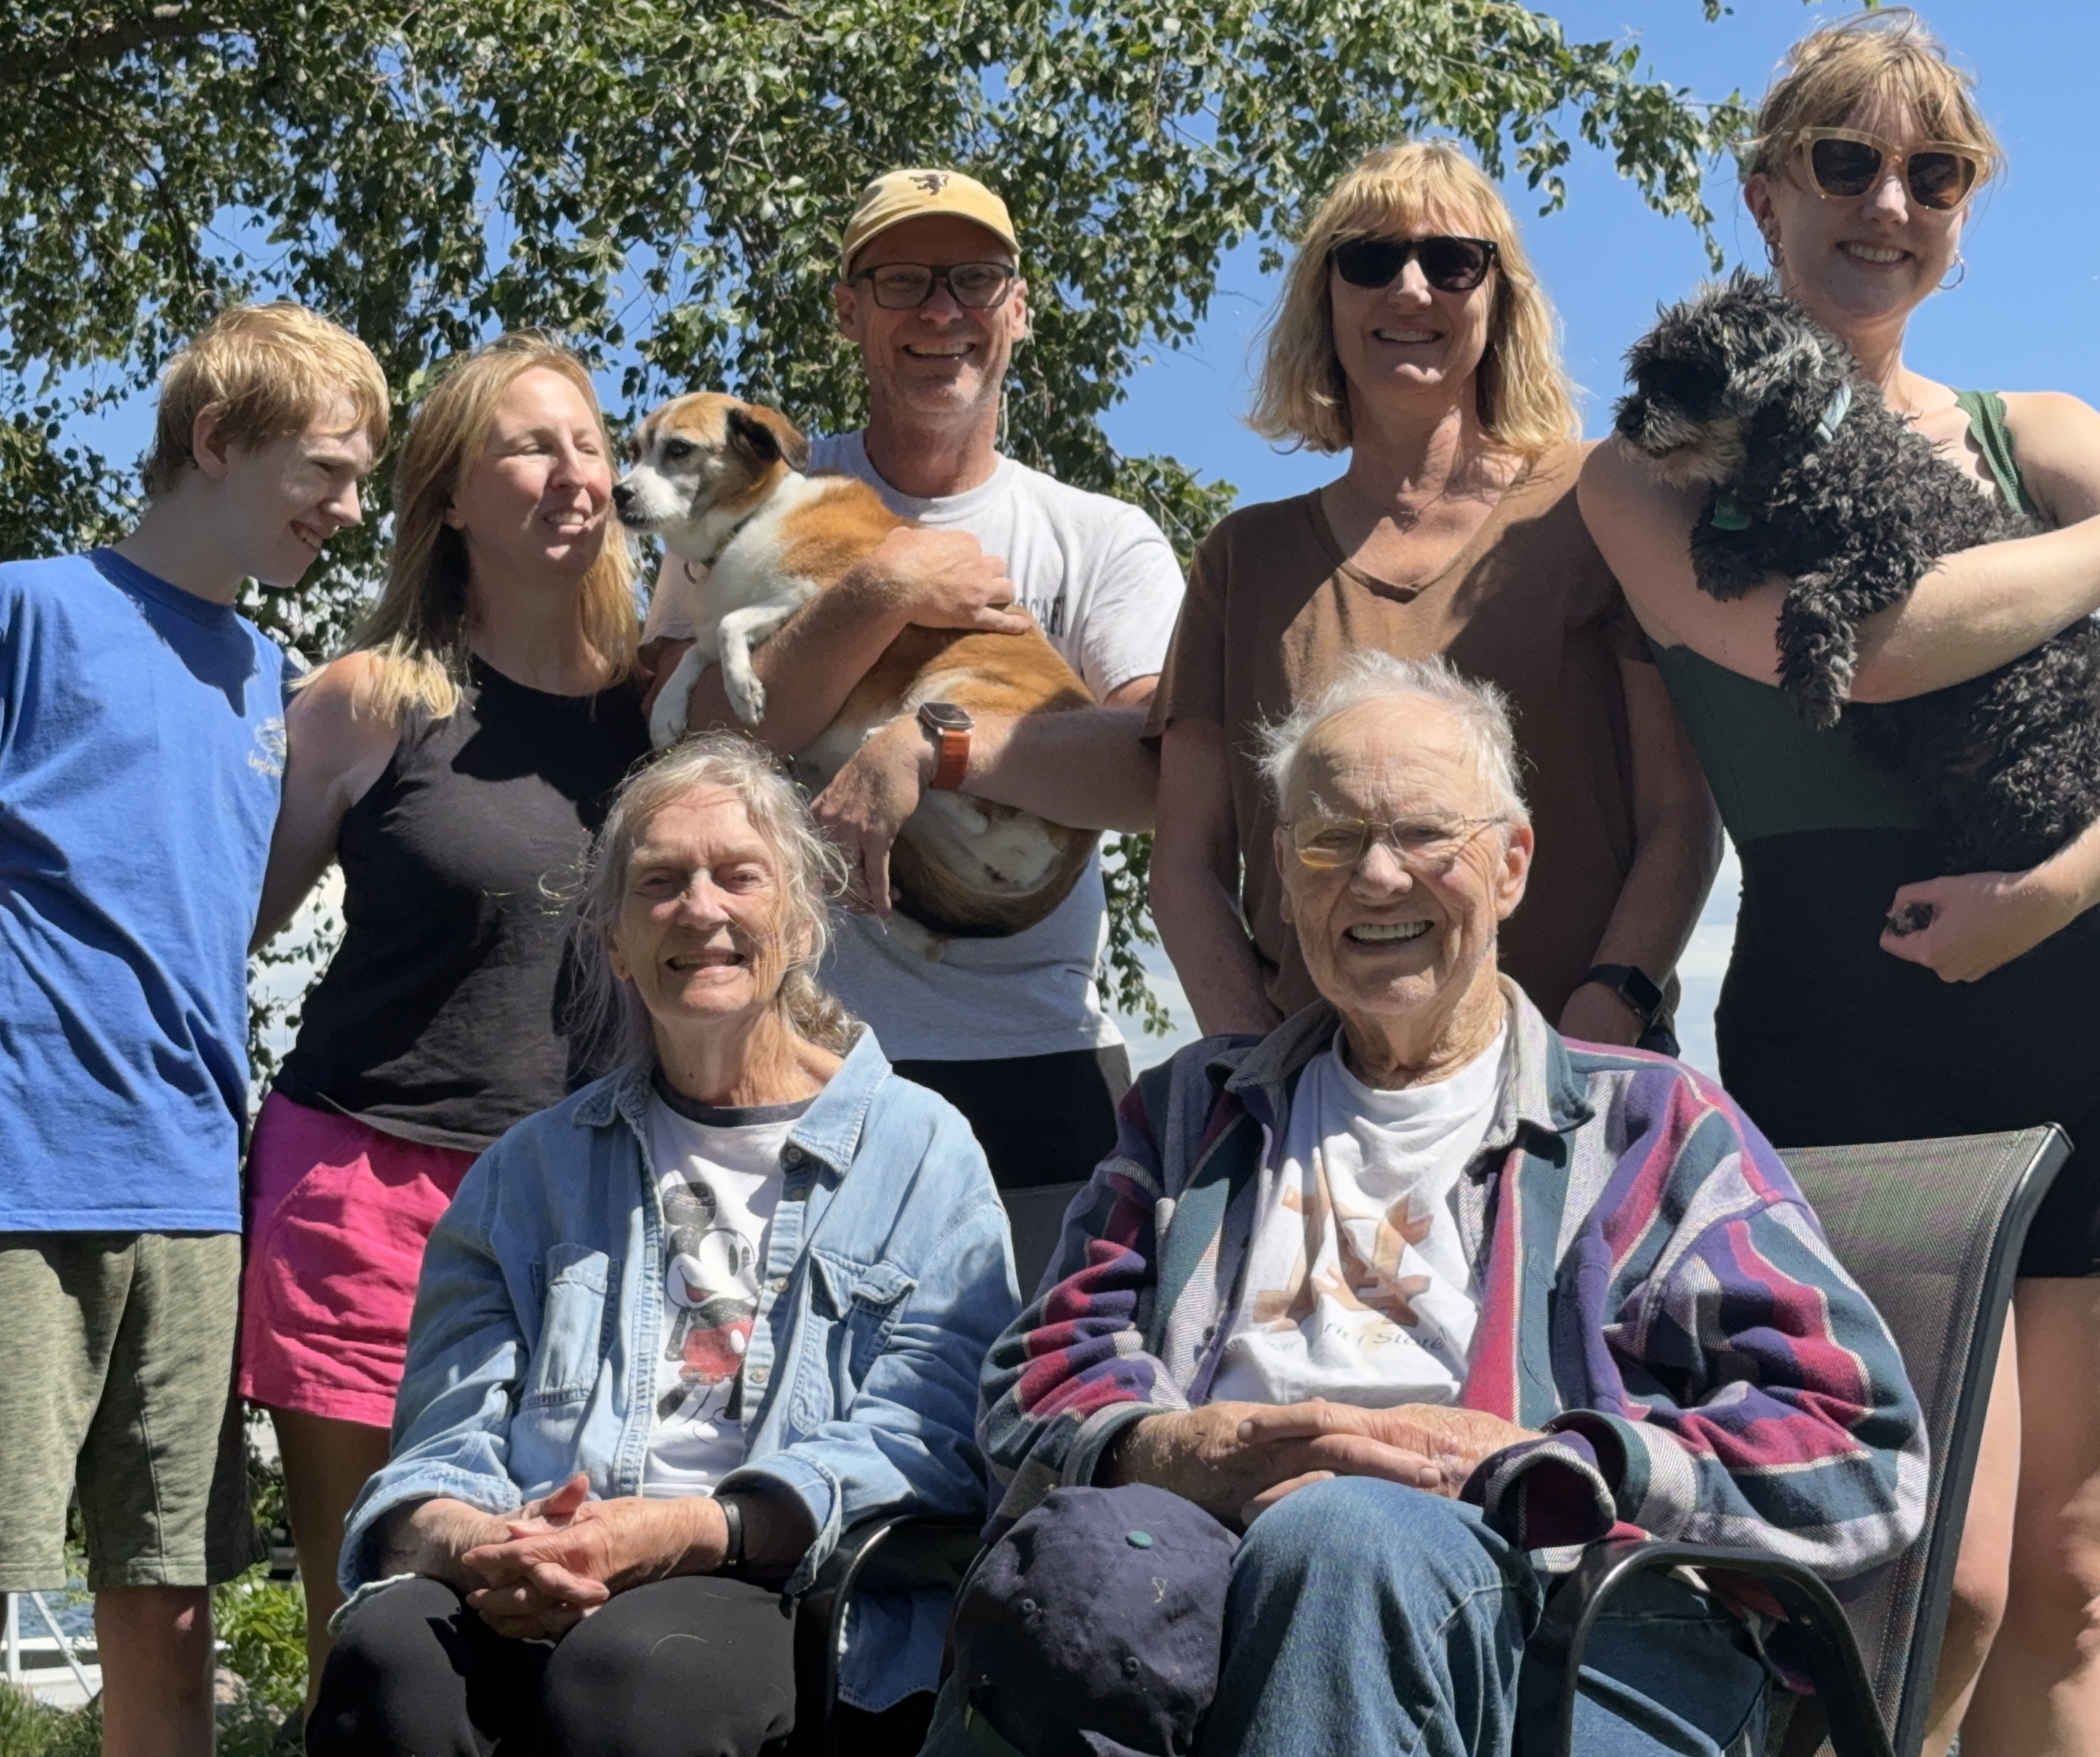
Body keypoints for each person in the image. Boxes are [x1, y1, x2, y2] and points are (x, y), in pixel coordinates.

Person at [948, 653, 1925, 1757]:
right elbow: (1032, 1384)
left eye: (1423, 835)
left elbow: (1860, 1448)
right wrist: (1187, 1451)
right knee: (1061, 1610)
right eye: (1331, 842)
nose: (1377, 877)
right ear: (1285, 878)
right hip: (1200, 1612)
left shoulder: (1650, 1128)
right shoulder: (1191, 1117)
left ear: (1510, 866)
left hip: (1572, 1637)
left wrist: (1557, 1465)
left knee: (1344, 1535)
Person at [0, 332, 658, 1708]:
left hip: (589, 1205)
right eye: (532, 446)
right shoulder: (365, 699)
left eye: (593, 444)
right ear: (451, 497)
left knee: (578, 1621)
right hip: (360, 1198)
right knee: (370, 1635)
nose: (579, 473)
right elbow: (194, 904)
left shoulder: (664, 704)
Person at [1578, 16, 2100, 1753]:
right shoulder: (1647, 467)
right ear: (1763, 192)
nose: (1890, 203)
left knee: (2072, 1583)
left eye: (1933, 173)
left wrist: (2058, 891)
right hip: (1841, 1027)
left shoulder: (2040, 433)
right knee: (1927, 1579)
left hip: (2075, 995)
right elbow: (1864, 653)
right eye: (1846, 162)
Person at [0, 303, 386, 1757]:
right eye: (327, 471)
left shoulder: (272, 683)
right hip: (4, 1174)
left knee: (173, 1608)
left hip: (196, 1196)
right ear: (217, 441)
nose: (348, 509)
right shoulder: (26, 608)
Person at [309, 737, 1017, 1757]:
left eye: (739, 876)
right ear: (614, 943)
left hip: (783, 1585)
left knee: (634, 1673)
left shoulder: (920, 1152)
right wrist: (487, 1547)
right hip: (536, 1566)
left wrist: (689, 1531)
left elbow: (933, 1440)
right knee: (391, 1657)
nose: (700, 908)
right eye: (660, 882)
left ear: (801, 922)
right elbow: (442, 1445)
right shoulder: (527, 1173)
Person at [644, 167, 1185, 1191]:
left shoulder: (1102, 537)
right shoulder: (732, 500)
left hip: (1041, 1063)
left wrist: (930, 746)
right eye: (901, 281)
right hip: (797, 1054)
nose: (941, 311)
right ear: (850, 312)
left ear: (1018, 311)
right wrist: (884, 589)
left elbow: (1154, 774)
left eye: (975, 280)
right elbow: (696, 753)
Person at [1149, 140, 1719, 1056]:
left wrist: (1599, 1028)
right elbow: (1185, 866)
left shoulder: (1605, 505)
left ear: (1499, 298)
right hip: (1319, 1097)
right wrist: (1262, 1070)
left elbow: (1681, 814)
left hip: (1577, 1078)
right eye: (1371, 260)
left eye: (1452, 262)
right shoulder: (1242, 562)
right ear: (1324, 299)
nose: (1411, 291)